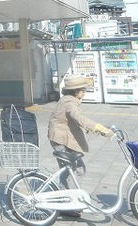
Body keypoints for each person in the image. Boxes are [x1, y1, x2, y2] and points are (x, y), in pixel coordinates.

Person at [47, 74, 113, 217]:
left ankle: (69, 198)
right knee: (69, 170)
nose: (84, 92)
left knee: (77, 169)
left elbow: (73, 121)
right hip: (60, 139)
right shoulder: (69, 102)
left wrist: (94, 128)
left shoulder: (69, 100)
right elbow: (78, 118)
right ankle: (65, 204)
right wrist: (99, 127)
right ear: (74, 91)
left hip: (64, 137)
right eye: (82, 90)